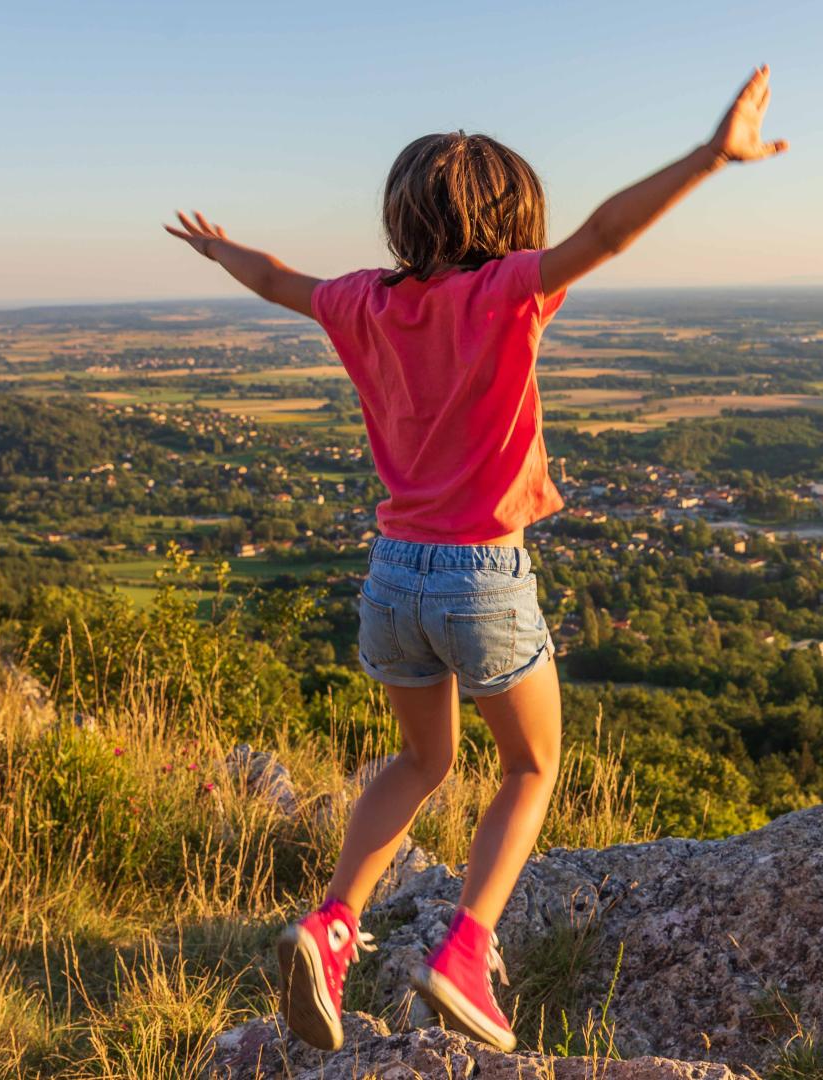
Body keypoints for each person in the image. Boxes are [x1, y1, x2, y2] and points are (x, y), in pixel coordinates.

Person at [164, 65, 787, 1053]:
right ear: (513, 219)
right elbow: (607, 234)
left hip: (392, 573)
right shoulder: (504, 294)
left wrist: (218, 247)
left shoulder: (366, 303)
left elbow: (279, 278)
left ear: (400, 221)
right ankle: (466, 951)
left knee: (421, 758)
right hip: (480, 576)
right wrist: (711, 157)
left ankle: (332, 924)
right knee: (533, 765)